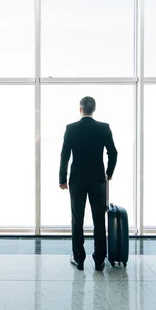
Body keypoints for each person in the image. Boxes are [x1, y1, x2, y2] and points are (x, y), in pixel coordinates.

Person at [59, 96, 117, 271]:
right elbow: (113, 153)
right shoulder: (103, 128)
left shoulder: (71, 129)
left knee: (77, 220)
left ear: (80, 109)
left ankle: (79, 259)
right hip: (97, 180)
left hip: (76, 180)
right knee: (99, 220)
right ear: (94, 109)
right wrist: (109, 173)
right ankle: (99, 260)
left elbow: (64, 155)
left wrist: (62, 179)